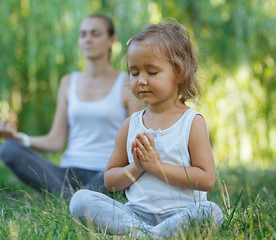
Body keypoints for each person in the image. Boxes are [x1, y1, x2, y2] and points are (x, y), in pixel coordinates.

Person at [69, 20, 223, 238]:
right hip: (134, 215)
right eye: (134, 73)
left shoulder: (191, 122)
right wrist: (137, 167)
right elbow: (110, 181)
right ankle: (150, 234)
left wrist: (157, 167)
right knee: (80, 200)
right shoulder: (130, 124)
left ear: (178, 73)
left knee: (210, 212)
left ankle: (143, 236)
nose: (141, 81)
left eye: (152, 72)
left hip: (181, 215)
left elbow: (207, 180)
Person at [0, 15, 143, 199]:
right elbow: (56, 140)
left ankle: (69, 198)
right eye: (82, 35)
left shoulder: (127, 82)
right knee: (8, 148)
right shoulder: (68, 82)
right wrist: (19, 138)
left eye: (95, 34)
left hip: (105, 173)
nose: (87, 39)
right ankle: (75, 198)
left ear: (111, 40)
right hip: (66, 173)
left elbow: (135, 139)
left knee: (111, 178)